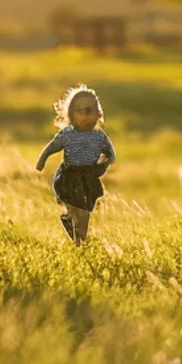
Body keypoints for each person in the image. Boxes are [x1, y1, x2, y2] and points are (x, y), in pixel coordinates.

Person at [35, 85, 115, 245]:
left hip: (89, 176)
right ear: (70, 114)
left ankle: (81, 240)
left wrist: (105, 162)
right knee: (74, 207)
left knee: (85, 210)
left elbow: (110, 153)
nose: (85, 115)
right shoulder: (67, 134)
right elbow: (51, 147)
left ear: (98, 114)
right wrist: (41, 161)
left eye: (89, 110)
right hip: (69, 176)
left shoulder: (99, 136)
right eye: (80, 111)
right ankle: (72, 224)